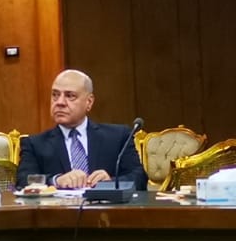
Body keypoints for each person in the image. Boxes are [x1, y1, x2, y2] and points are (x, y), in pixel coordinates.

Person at [15, 70, 147, 190]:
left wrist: (111, 182)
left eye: (70, 96)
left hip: (105, 208)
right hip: (58, 208)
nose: (60, 102)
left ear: (89, 102)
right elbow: (23, 181)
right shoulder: (35, 144)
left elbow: (139, 178)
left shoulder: (117, 137)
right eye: (55, 95)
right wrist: (56, 180)